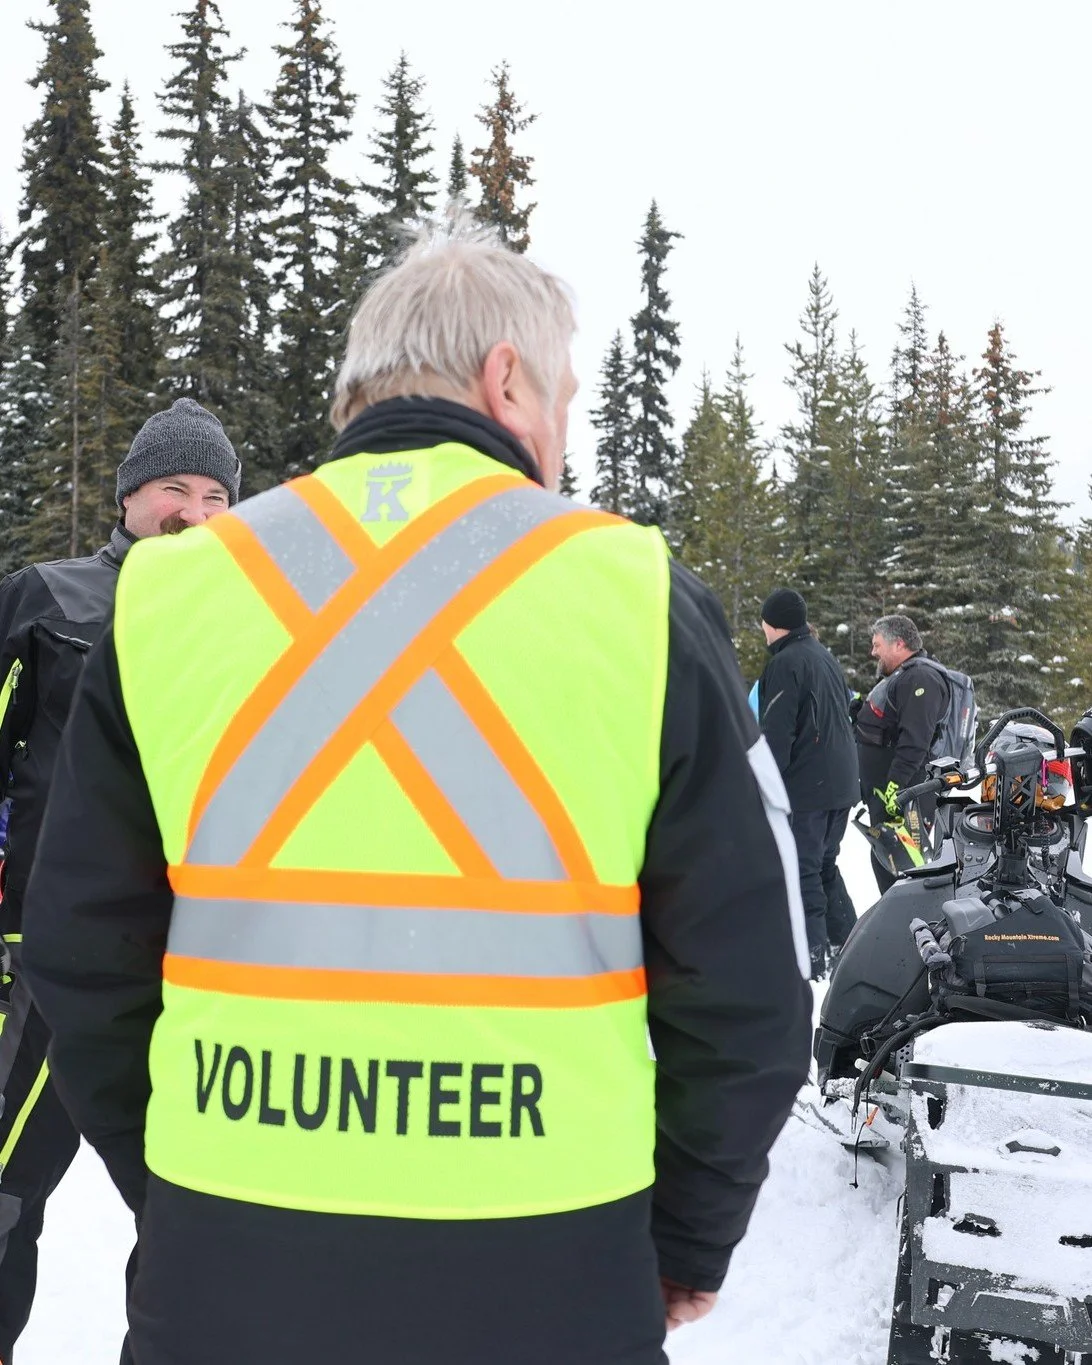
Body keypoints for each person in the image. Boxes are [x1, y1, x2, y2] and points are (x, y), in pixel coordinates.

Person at [22, 215, 812, 1365]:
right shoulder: (632, 595)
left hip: (227, 1250)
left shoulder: (171, 599)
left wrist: (179, 1181)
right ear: (507, 381)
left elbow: (79, 947)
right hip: (551, 1254)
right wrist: (687, 1234)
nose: (564, 433)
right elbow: (751, 973)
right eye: (565, 399)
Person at [0, 398, 240, 1360]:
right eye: (174, 489)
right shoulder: (47, 599)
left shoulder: (259, 629)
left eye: (218, 495)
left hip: (198, 970)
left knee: (195, 1213)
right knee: (8, 1194)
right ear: (130, 496)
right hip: (43, 964)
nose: (195, 512)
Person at [757, 589, 860, 978]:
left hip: (810, 788)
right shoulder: (822, 655)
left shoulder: (786, 663)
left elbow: (777, 733)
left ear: (773, 623)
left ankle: (814, 959)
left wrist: (766, 787)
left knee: (803, 870)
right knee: (824, 867)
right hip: (838, 783)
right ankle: (848, 945)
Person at [856, 613, 950, 892]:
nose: (873, 652)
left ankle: (913, 929)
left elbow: (916, 740)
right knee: (888, 864)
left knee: (903, 869)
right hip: (892, 792)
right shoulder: (906, 676)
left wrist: (895, 786)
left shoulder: (922, 677)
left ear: (898, 644)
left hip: (906, 794)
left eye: (877, 645)